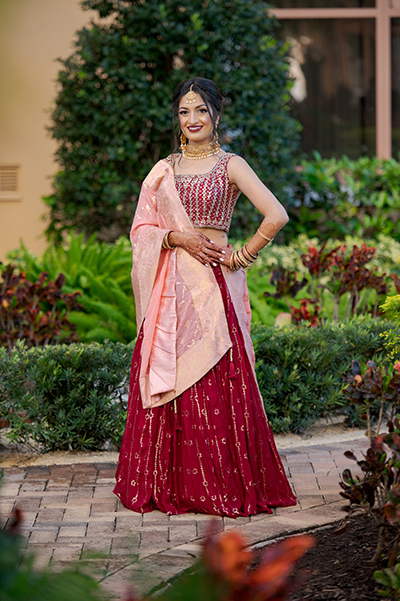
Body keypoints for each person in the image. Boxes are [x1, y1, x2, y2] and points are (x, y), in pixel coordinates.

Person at [113, 77, 296, 516]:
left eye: (200, 110)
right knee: (169, 376)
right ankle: (168, 484)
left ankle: (219, 484)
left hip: (213, 285)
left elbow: (277, 214)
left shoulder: (230, 164)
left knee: (217, 377)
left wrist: (239, 258)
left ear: (216, 114)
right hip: (171, 287)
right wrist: (177, 237)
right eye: (183, 111)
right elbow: (140, 231)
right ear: (177, 118)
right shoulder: (164, 170)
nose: (192, 119)